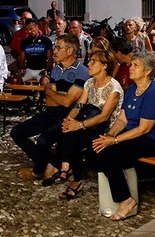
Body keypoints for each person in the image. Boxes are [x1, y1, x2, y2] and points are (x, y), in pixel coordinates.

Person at [92, 52, 155, 221]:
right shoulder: (133, 89)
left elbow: (144, 129)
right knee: (99, 148)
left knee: (109, 153)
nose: (130, 68)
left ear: (148, 71)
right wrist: (109, 135)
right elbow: (122, 118)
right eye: (131, 64)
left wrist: (114, 141)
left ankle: (127, 200)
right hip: (133, 136)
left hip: (153, 140)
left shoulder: (154, 93)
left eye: (136, 65)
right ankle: (121, 196)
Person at [11, 35, 90, 181]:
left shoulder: (82, 72)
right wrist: (56, 95)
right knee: (17, 132)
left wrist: (50, 91)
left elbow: (66, 102)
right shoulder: (56, 70)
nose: (54, 51)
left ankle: (39, 169)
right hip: (52, 111)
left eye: (58, 47)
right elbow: (50, 102)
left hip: (70, 114)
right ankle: (52, 164)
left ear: (70, 51)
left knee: (43, 139)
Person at [47, 50, 123, 200]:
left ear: (104, 66)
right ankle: (67, 169)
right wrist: (69, 120)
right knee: (69, 131)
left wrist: (78, 124)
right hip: (88, 121)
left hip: (106, 127)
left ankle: (68, 172)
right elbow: (79, 105)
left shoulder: (113, 87)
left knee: (74, 134)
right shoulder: (89, 83)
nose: (89, 63)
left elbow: (104, 116)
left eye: (94, 61)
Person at [17, 18, 53, 82]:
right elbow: (22, 59)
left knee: (44, 82)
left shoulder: (46, 40)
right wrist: (22, 69)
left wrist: (46, 70)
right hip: (29, 70)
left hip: (41, 70)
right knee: (15, 81)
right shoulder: (25, 42)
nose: (29, 32)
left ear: (37, 26)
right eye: (27, 30)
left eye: (31, 29)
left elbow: (50, 58)